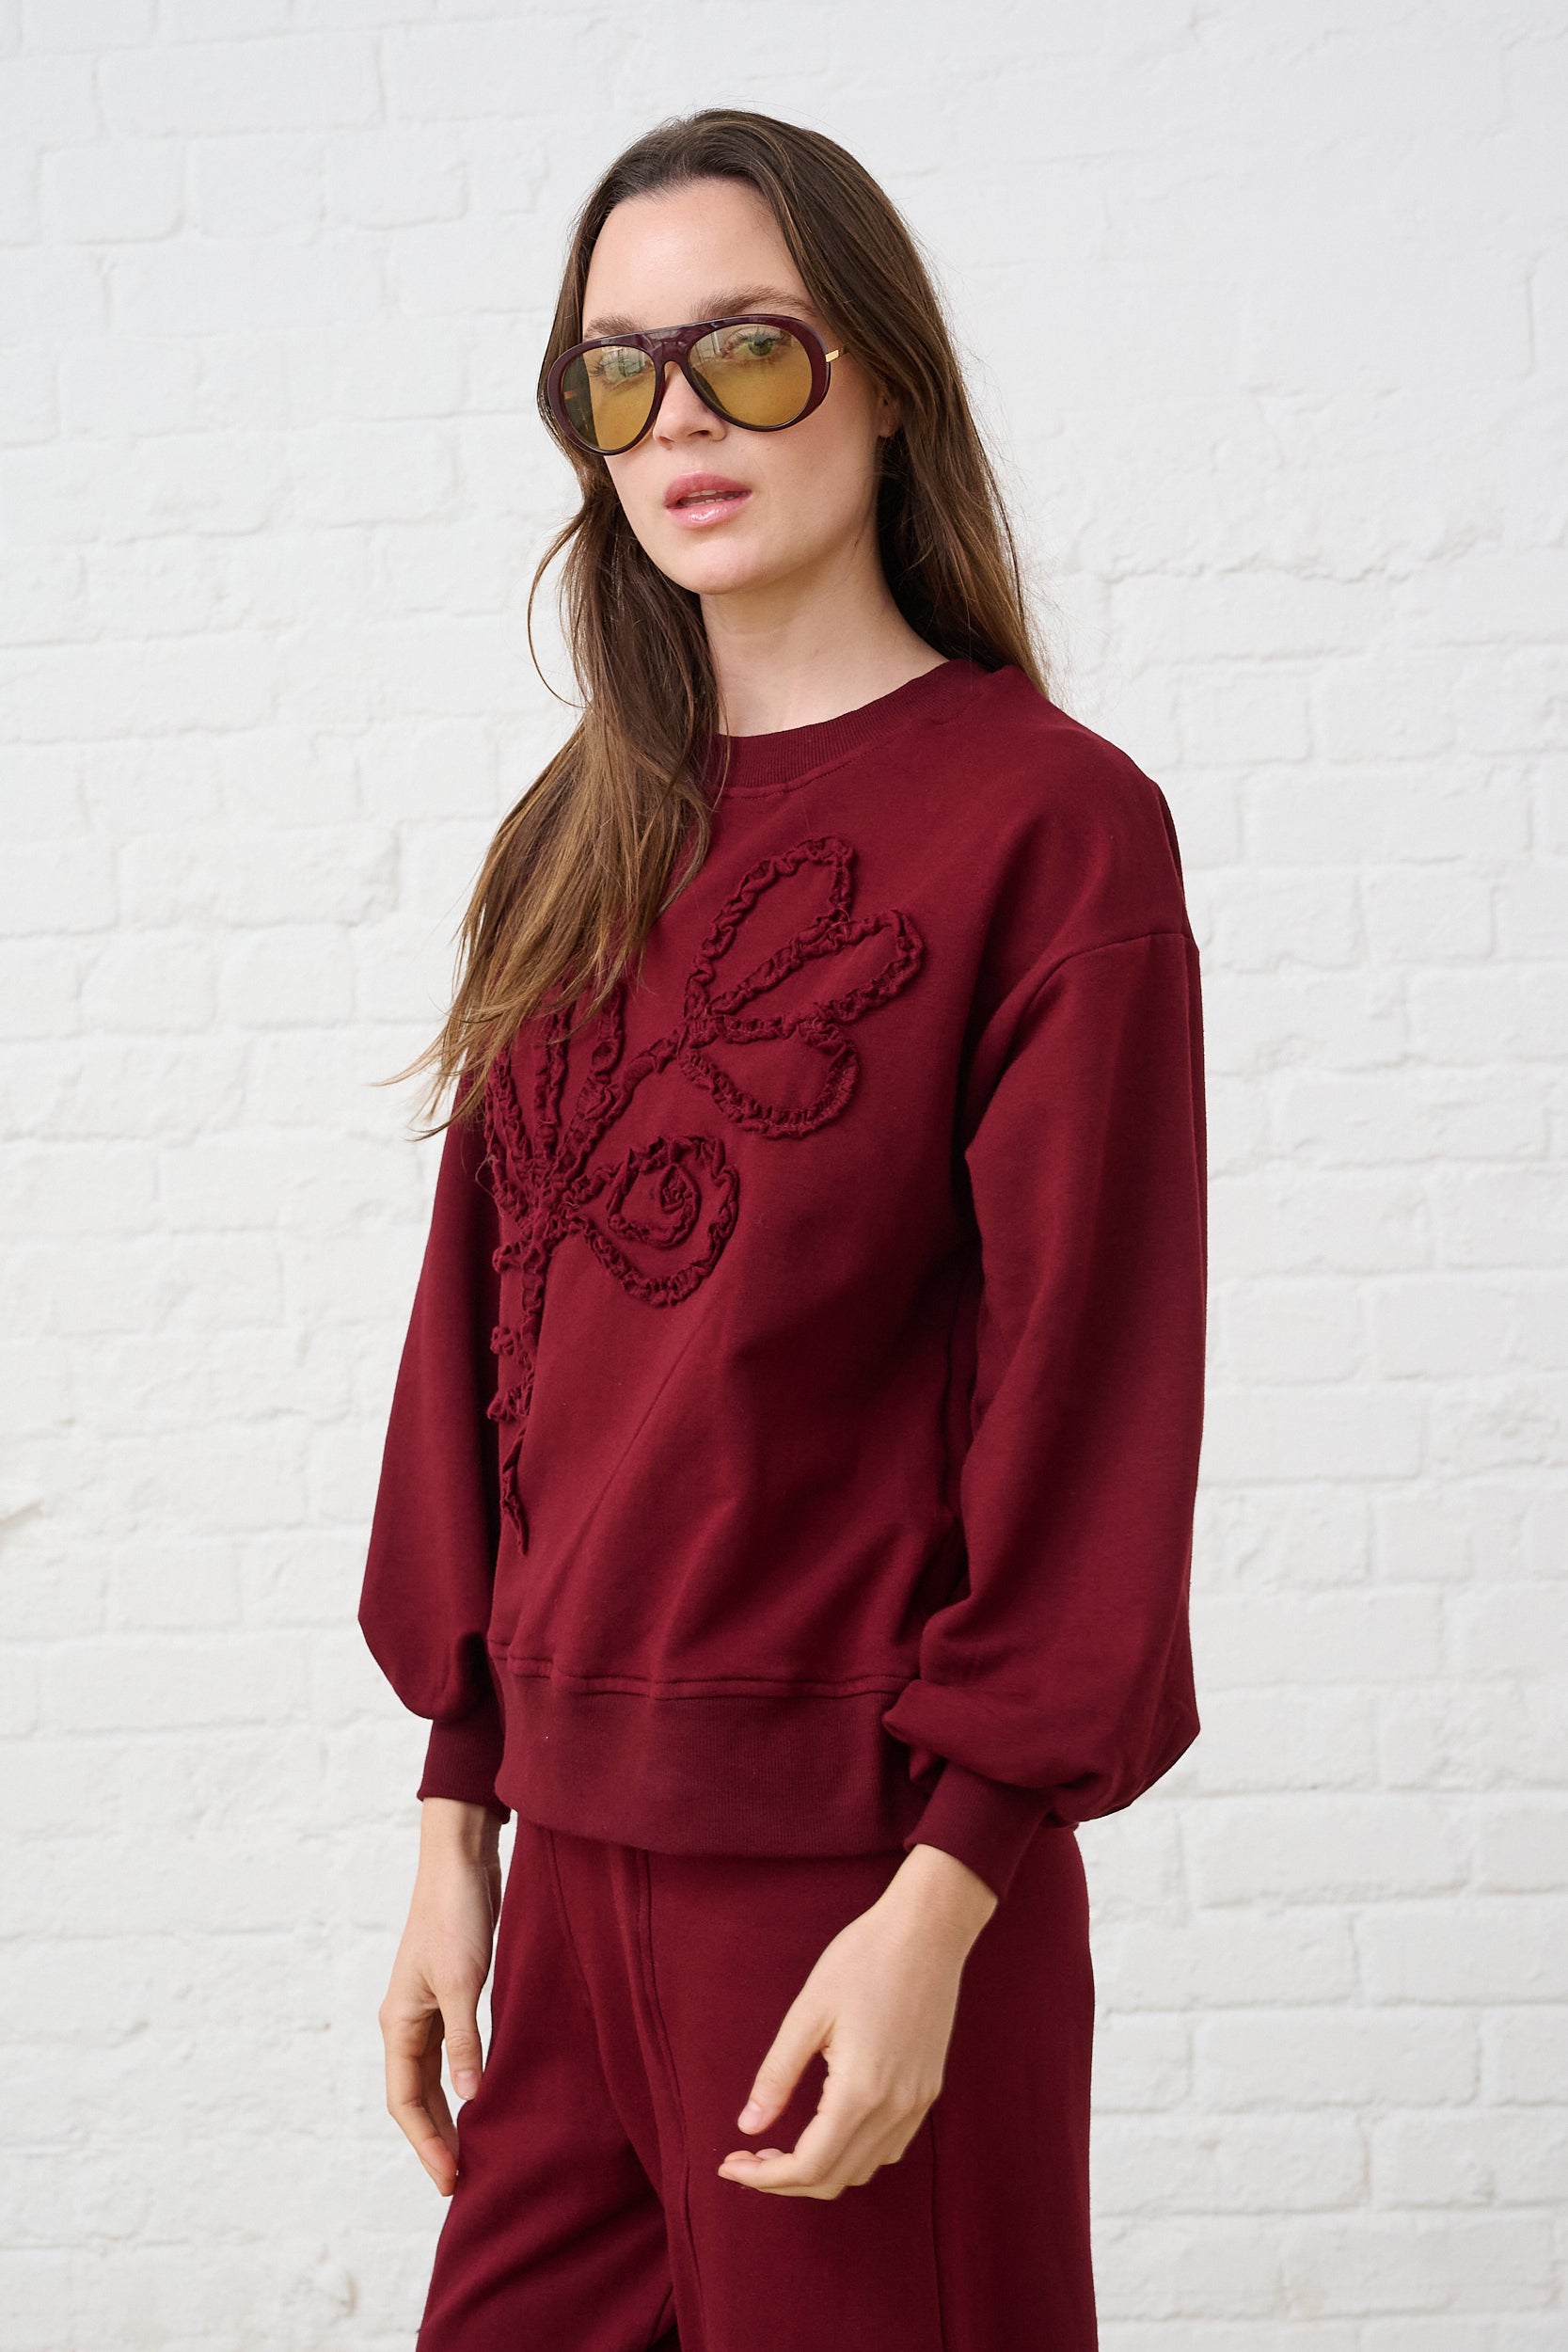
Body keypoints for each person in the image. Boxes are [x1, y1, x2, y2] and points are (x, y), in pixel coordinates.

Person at [356, 104, 1207, 2352]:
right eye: (615, 374)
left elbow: (1090, 1390)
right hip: (567, 1874)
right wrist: (458, 1816)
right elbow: (488, 1349)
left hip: (860, 1877)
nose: (678, 423)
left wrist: (945, 1899)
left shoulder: (1052, 830)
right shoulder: (578, 834)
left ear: (887, 376)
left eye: (747, 348)